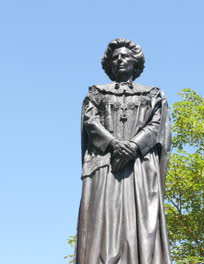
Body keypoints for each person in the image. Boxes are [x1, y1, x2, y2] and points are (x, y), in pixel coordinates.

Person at [76, 38, 171, 264]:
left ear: (135, 63)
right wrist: (114, 144)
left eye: (125, 56)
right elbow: (90, 123)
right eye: (115, 57)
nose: (120, 60)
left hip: (140, 166)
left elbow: (157, 125)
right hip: (105, 165)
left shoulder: (153, 95)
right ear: (109, 65)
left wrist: (135, 145)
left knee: (140, 220)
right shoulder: (96, 93)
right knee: (102, 218)